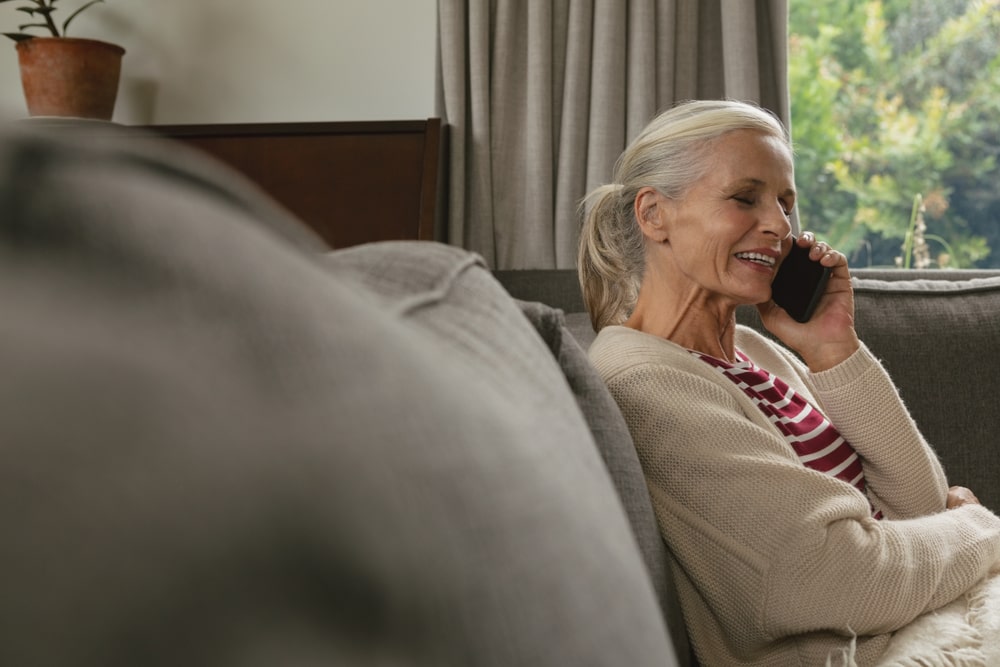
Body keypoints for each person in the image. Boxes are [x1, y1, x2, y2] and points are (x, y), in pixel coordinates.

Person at [578, 99, 1000, 666]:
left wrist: (834, 351)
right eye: (745, 197)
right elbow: (838, 581)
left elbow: (920, 502)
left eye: (785, 201)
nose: (780, 224)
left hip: (935, 621)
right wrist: (979, 527)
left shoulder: (752, 351)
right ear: (654, 215)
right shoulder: (646, 385)